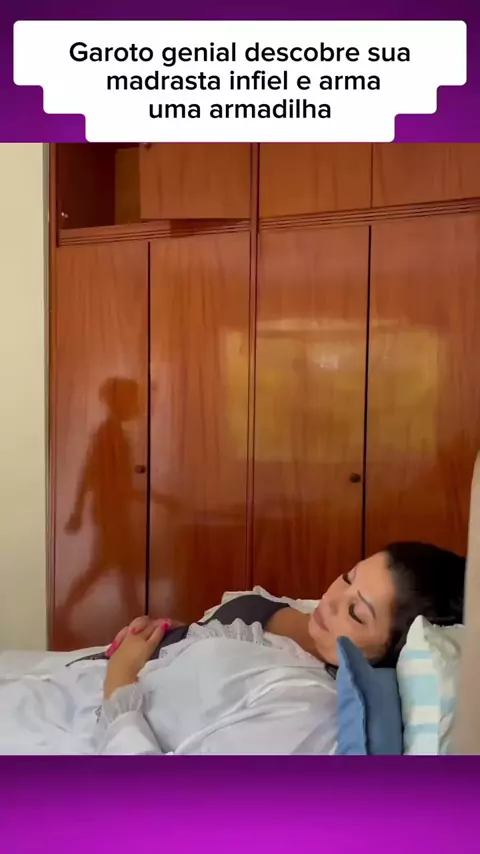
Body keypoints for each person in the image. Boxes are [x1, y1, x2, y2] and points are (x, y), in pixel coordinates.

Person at [0, 542, 465, 755]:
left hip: (65, 732)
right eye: (347, 577)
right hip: (60, 689)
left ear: (391, 652)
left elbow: (159, 812)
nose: (331, 599)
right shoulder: (306, 631)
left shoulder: (304, 713)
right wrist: (175, 639)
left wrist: (120, 682)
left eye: (357, 612)